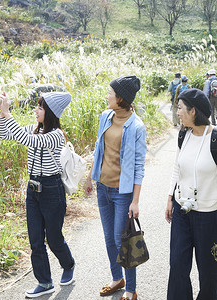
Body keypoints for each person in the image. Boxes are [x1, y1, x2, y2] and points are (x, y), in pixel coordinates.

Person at [0, 91, 75, 298]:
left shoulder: (56, 135)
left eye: (40, 108)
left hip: (52, 190)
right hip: (33, 190)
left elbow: (26, 140)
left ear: (49, 113)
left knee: (54, 239)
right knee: (35, 239)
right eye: (37, 107)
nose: (36, 111)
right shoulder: (33, 130)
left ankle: (68, 264)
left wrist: (9, 114)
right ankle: (45, 282)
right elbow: (5, 134)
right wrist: (2, 113)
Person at [165, 88, 217, 300]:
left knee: (208, 271)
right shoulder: (183, 134)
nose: (177, 112)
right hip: (182, 210)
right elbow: (177, 168)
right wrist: (170, 197)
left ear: (193, 111)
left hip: (209, 214)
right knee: (177, 265)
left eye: (180, 108)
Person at [84, 75, 147, 300]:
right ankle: (116, 279)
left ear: (120, 98)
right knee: (109, 238)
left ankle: (130, 289)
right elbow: (98, 148)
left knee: (124, 241)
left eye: (110, 92)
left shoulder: (136, 126)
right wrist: (90, 177)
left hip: (123, 193)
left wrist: (135, 200)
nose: (107, 95)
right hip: (103, 188)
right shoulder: (105, 117)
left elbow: (139, 166)